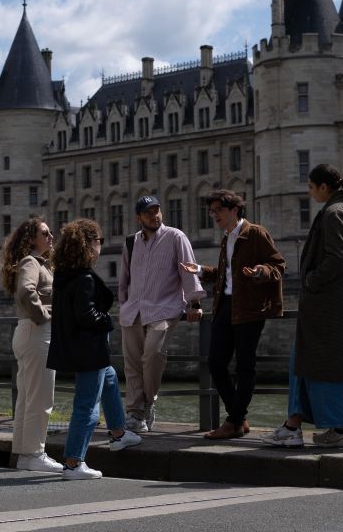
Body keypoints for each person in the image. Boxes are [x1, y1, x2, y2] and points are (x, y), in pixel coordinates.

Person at [262, 164, 343, 448]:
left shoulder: (334, 213)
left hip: (332, 302)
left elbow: (335, 259)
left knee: (326, 365)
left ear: (323, 187)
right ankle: (294, 425)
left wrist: (310, 281)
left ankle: (339, 429)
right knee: (307, 360)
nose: (308, 192)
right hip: (339, 302)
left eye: (310, 186)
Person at [181, 189, 285, 439]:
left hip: (249, 308)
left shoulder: (255, 233)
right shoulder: (227, 237)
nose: (212, 214)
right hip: (225, 306)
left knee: (245, 367)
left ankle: (234, 422)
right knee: (216, 363)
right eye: (212, 210)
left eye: (218, 210)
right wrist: (201, 270)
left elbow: (278, 265)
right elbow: (226, 275)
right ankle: (238, 419)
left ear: (234, 210)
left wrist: (261, 271)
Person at [47, 218, 141, 480]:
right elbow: (86, 315)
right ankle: (73, 462)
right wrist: (107, 321)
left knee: (109, 380)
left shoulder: (65, 276)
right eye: (98, 241)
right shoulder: (84, 279)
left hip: (77, 346)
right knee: (87, 405)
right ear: (88, 245)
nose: (101, 246)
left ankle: (119, 434)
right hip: (89, 348)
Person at [119, 195, 205, 433]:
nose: (154, 215)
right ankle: (135, 413)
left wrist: (194, 303)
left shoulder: (176, 237)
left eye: (157, 211)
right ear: (139, 218)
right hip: (133, 310)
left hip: (164, 307)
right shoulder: (130, 242)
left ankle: (147, 404)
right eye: (148, 213)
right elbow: (124, 278)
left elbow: (188, 270)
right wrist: (123, 304)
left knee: (153, 354)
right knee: (132, 364)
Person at [0, 217, 62, 473]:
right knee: (40, 398)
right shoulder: (31, 262)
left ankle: (26, 454)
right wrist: (45, 315)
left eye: (50, 233)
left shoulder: (39, 263)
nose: (50, 237)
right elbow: (26, 291)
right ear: (31, 238)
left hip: (28, 332)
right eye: (45, 233)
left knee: (27, 398)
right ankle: (35, 453)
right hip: (37, 333)